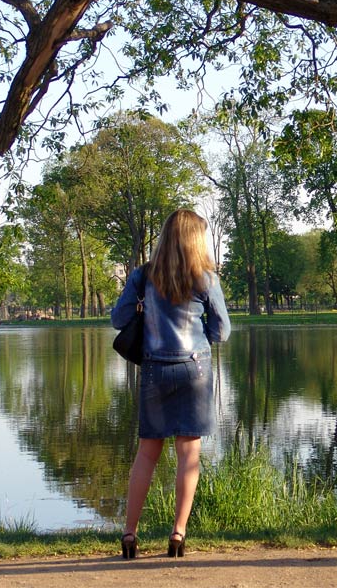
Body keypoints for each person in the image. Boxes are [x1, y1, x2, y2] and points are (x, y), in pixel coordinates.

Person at [111, 209, 231, 559]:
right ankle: (178, 534)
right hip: (195, 369)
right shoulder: (205, 278)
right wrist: (201, 340)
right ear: (198, 240)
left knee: (147, 454)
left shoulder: (144, 276)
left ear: (164, 237)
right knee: (188, 454)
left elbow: (118, 319)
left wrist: (140, 307)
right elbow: (221, 331)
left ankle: (130, 534)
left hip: (155, 370)